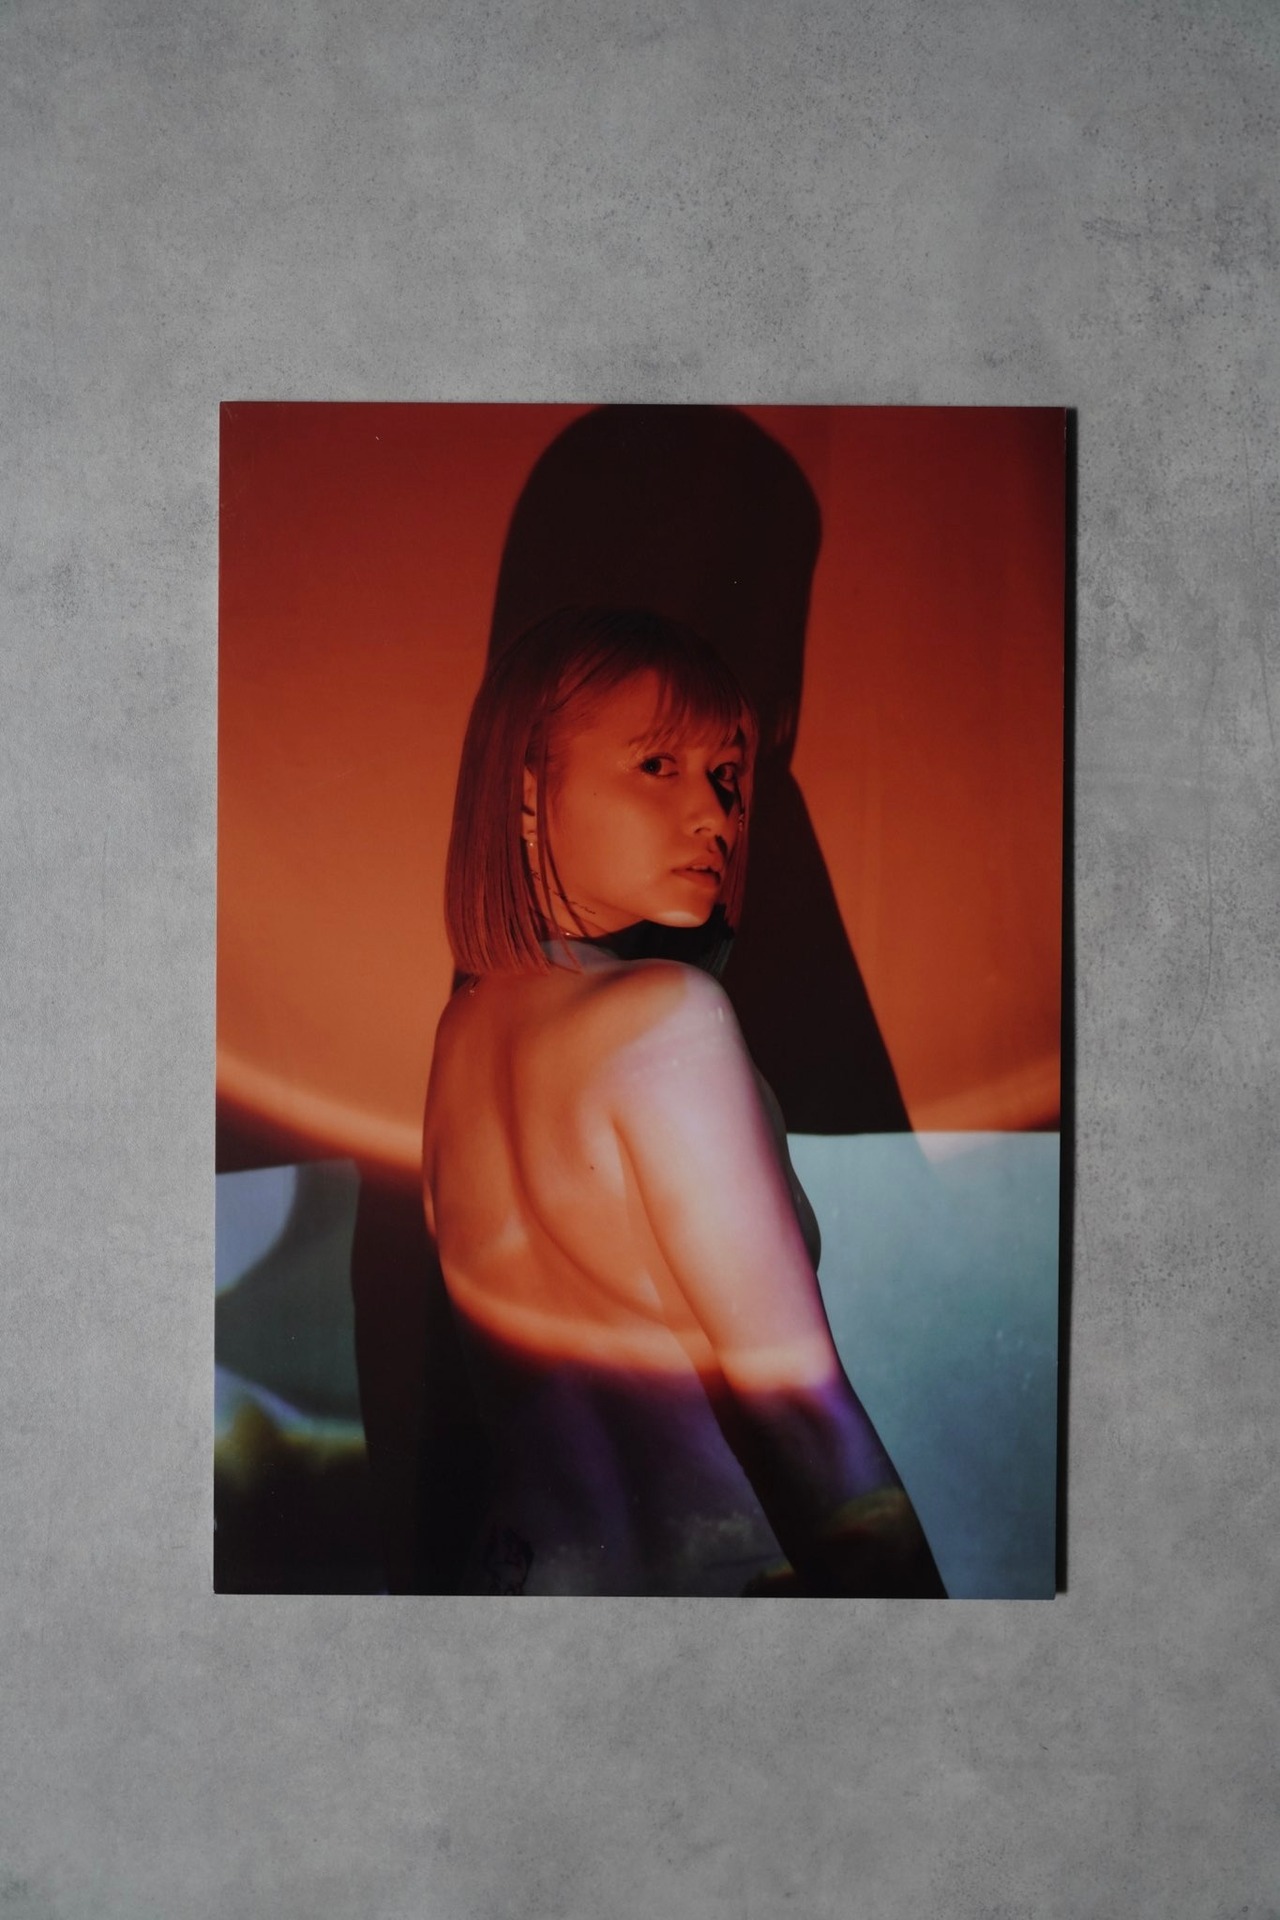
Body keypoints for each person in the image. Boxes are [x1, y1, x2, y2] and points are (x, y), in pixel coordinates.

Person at [421, 607, 945, 1596]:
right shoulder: (667, 1018)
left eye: (727, 774)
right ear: (527, 792)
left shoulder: (464, 1029)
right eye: (657, 764)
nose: (714, 813)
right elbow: (803, 1411)